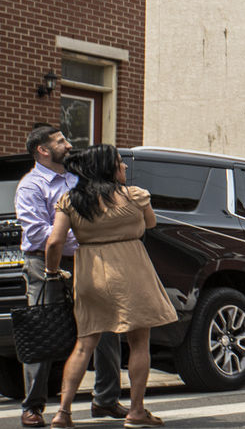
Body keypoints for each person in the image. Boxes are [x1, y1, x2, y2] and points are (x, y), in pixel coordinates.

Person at [44, 145, 178, 429]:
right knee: (139, 343)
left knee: (84, 345)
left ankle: (63, 413)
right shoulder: (136, 195)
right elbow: (151, 223)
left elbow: (54, 242)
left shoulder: (70, 200)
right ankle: (137, 412)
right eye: (120, 163)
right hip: (131, 270)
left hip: (90, 271)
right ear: (107, 168)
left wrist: (52, 272)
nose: (125, 167)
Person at [14, 126, 127, 428]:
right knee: (44, 329)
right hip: (44, 263)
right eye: (60, 141)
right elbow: (38, 233)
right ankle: (34, 406)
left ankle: (105, 399)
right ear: (43, 150)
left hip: (86, 260)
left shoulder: (78, 179)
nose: (68, 144)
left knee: (105, 326)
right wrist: (76, 235)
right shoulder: (30, 186)